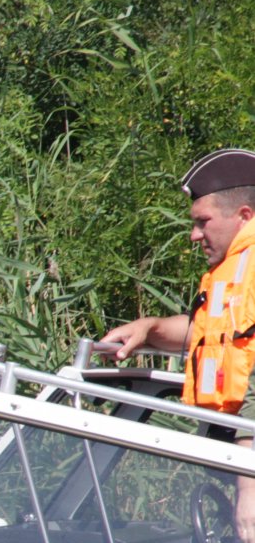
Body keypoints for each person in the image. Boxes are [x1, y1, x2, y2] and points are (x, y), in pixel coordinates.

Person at [101, 148, 255, 413]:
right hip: (225, 424)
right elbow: (206, 331)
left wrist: (246, 441)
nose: (194, 235)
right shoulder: (232, 269)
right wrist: (150, 329)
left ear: (244, 216)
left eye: (203, 221)